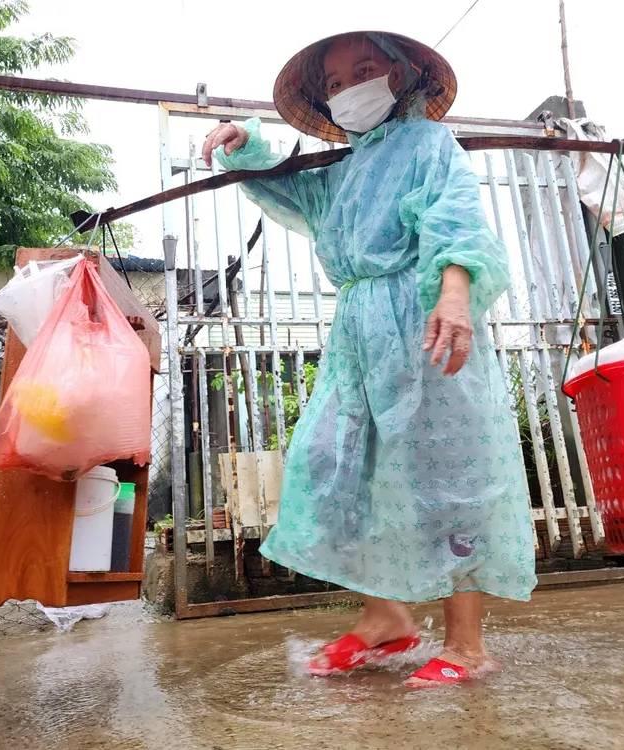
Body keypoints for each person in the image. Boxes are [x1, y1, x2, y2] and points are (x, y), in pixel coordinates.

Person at [202, 31, 536, 687]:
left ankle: (465, 642)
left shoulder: (428, 146)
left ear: (402, 76)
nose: (347, 86)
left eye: (364, 69)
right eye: (333, 81)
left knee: (447, 481)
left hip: (427, 325)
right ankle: (387, 618)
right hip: (359, 338)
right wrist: (250, 146)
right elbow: (289, 193)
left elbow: (457, 218)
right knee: (344, 465)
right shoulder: (344, 169)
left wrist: (455, 293)